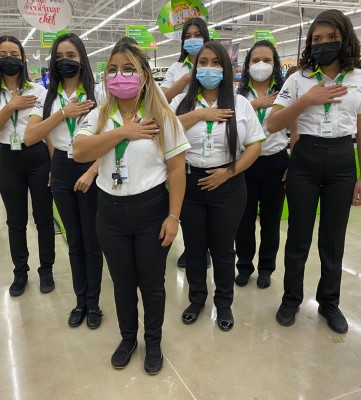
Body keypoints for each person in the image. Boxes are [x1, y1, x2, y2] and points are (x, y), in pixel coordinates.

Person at [74, 42, 189, 375]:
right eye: (112, 69)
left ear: (144, 75)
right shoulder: (99, 115)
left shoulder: (163, 118)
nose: (119, 75)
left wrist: (173, 216)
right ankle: (128, 339)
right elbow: (80, 151)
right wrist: (124, 131)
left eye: (128, 69)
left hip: (150, 210)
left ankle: (153, 342)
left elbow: (178, 170)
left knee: (152, 284)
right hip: (108, 212)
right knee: (122, 283)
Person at [268, 10, 361, 334]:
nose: (324, 44)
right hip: (305, 158)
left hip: (342, 162)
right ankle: (291, 299)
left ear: (345, 38)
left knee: (333, 240)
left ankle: (329, 303)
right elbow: (273, 123)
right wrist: (306, 100)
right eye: (317, 39)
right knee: (299, 237)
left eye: (331, 37)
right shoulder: (298, 79)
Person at [171, 41, 265, 331]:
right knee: (195, 248)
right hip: (190, 182)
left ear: (226, 68)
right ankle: (197, 298)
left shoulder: (240, 103)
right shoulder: (182, 103)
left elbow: (254, 146)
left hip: (229, 184)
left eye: (215, 63)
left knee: (224, 249)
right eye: (203, 62)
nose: (208, 68)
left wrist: (228, 172)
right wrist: (199, 114)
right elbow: (166, 133)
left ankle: (223, 303)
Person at [24, 33, 104, 329]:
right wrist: (63, 113)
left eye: (70, 56)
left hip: (92, 166)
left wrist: (93, 169)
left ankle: (94, 303)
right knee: (74, 240)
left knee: (91, 240)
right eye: (59, 57)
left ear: (82, 58)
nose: (65, 61)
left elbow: (110, 138)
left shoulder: (100, 93)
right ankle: (80, 300)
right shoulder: (47, 97)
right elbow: (30, 136)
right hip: (61, 167)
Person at [0, 35, 55, 297]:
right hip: (8, 160)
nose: (8, 58)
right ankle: (20, 272)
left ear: (23, 58)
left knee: (44, 219)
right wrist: (10, 106)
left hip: (37, 156)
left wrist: (52, 164)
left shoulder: (38, 91)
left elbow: (42, 132)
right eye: (2, 54)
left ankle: (46, 269)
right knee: (15, 221)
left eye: (14, 53)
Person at [234, 40, 288, 289]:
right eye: (255, 60)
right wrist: (256, 105)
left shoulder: (286, 91)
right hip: (246, 162)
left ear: (275, 64)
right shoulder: (239, 95)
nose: (261, 65)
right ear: (247, 65)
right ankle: (244, 266)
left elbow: (296, 124)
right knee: (243, 220)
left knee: (271, 220)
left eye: (267, 60)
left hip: (275, 162)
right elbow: (231, 122)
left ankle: (266, 268)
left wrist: (293, 161)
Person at [161, 17, 211, 269]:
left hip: (207, 136)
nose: (193, 39)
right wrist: (185, 80)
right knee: (186, 200)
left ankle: (206, 249)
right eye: (188, 35)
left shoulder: (215, 65)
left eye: (197, 34)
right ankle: (192, 248)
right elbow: (162, 100)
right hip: (179, 135)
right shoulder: (175, 68)